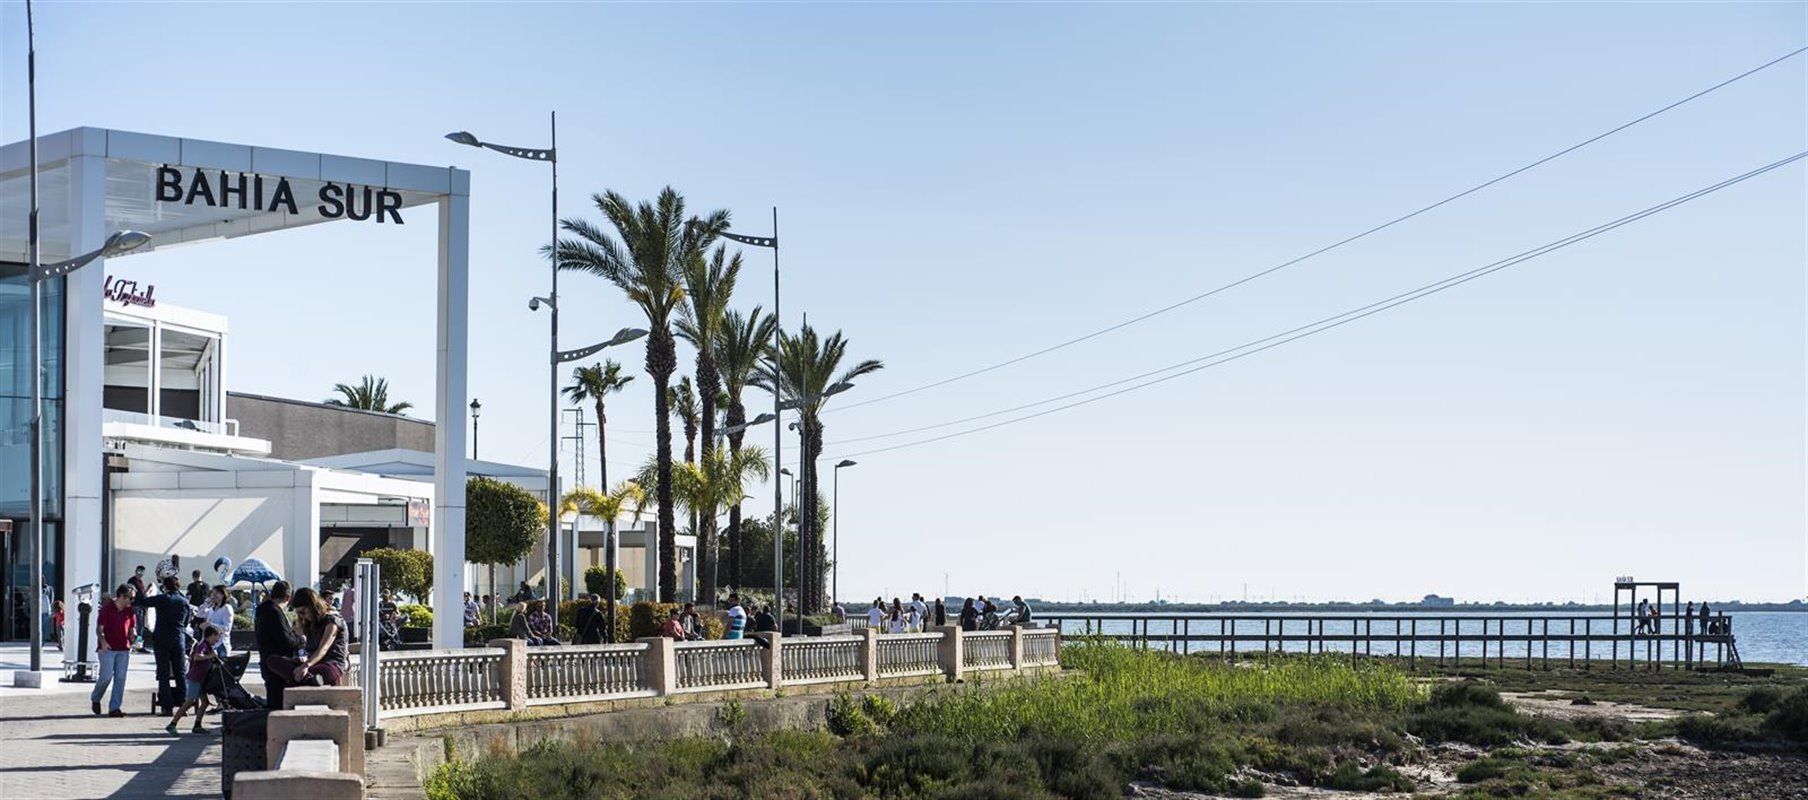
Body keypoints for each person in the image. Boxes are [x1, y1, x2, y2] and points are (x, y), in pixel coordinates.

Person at [135, 575, 194, 715]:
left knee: (163, 673)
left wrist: (147, 591)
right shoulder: (184, 601)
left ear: (165, 587)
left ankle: (166, 706)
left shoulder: (162, 599)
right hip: (178, 638)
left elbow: (142, 601)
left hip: (162, 638)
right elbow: (186, 622)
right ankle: (182, 704)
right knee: (180, 673)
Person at [255, 580, 307, 711]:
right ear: (288, 598)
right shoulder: (274, 612)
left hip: (265, 658)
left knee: (272, 701)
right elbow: (285, 640)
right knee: (279, 704)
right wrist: (301, 639)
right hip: (278, 663)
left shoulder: (261, 609)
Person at [91, 585, 137, 717]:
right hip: (108, 648)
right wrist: (103, 642)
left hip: (124, 648)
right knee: (106, 676)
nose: (131, 601)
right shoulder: (106, 609)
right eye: (130, 598)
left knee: (120, 678)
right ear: (121, 596)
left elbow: (132, 628)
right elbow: (99, 629)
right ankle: (96, 698)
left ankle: (114, 708)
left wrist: (133, 636)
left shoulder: (130, 611)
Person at [167, 624, 222, 734]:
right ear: (211, 635)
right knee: (189, 701)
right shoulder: (202, 645)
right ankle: (172, 724)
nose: (217, 640)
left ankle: (197, 725)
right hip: (195, 678)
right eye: (217, 637)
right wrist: (210, 656)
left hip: (201, 679)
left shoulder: (208, 646)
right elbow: (197, 656)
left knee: (205, 702)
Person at [290, 587, 349, 685]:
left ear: (312, 606)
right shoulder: (310, 623)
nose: (302, 616)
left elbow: (323, 649)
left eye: (303, 611)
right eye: (298, 613)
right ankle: (308, 679)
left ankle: (303, 678)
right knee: (273, 661)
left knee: (312, 672)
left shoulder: (332, 621)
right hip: (313, 664)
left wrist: (305, 665)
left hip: (331, 664)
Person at [196, 585, 235, 656]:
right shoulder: (211, 608)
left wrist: (210, 625)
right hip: (208, 644)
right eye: (213, 593)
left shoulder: (226, 608)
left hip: (220, 644)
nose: (214, 595)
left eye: (217, 593)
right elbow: (199, 614)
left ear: (223, 595)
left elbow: (227, 628)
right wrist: (205, 604)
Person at [128, 565, 149, 651]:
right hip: (135, 606)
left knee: (141, 627)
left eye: (142, 572)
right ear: (135, 571)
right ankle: (135, 644)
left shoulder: (140, 581)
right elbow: (130, 593)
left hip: (141, 606)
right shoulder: (132, 581)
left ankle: (139, 644)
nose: (140, 574)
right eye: (139, 571)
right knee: (136, 626)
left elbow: (142, 593)